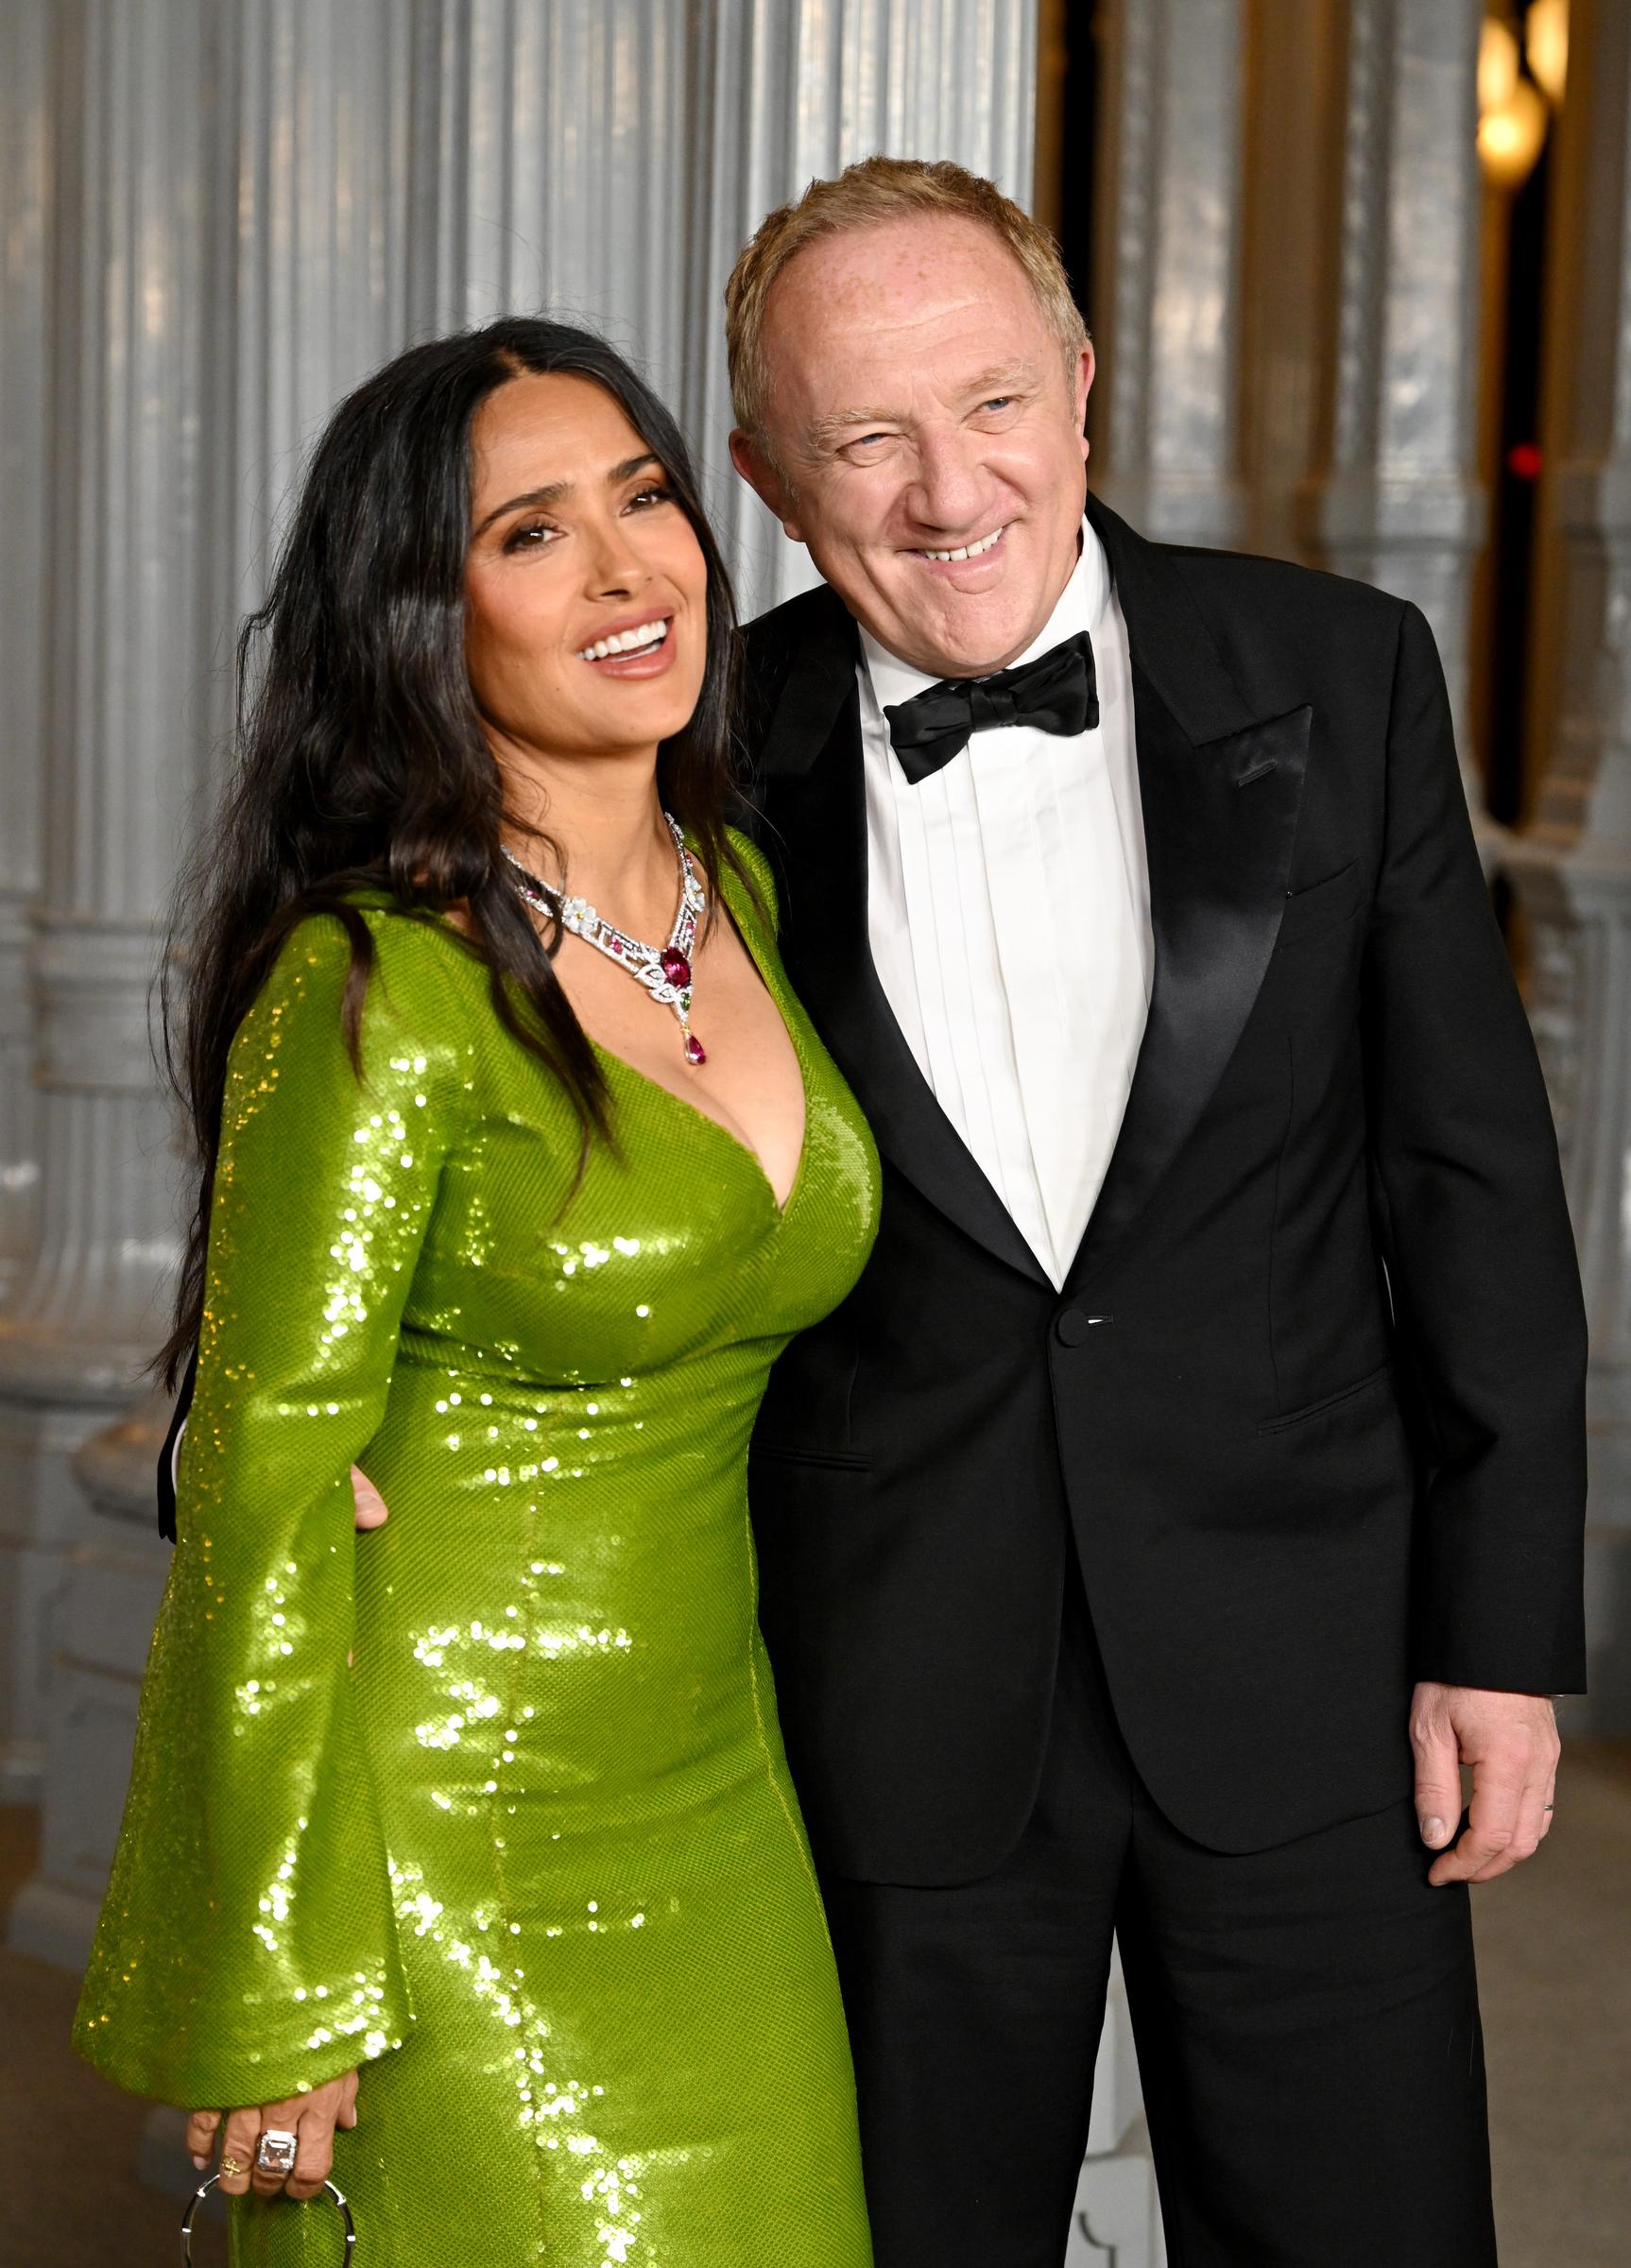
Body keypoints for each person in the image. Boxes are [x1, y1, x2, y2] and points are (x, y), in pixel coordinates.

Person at [718, 160, 1586, 2265]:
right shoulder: (696, 748)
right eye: (865, 437)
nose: (948, 492)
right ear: (761, 473)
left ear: (1081, 391)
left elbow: (1463, 1177)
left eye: (992, 405)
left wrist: (1494, 1634)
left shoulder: (1337, 665)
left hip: (1307, 1665)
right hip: (881, 1680)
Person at [75, 318, 878, 2268]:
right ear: (417, 623)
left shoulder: (739, 896)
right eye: (528, 535)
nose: (626, 570)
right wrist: (276, 1971)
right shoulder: (372, 988)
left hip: (720, 1803)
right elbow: (263, 1484)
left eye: (646, 497)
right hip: (440, 1831)